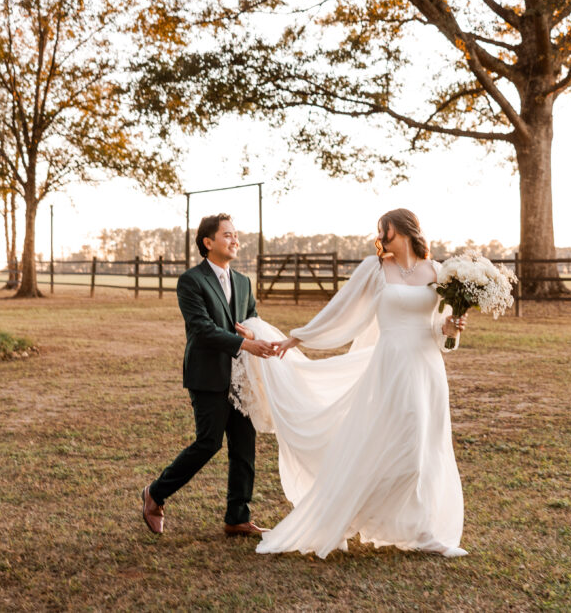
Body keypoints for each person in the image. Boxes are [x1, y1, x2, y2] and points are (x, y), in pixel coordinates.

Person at [242, 208, 468, 558]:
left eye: (386, 231)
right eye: (380, 233)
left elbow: (440, 329)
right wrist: (299, 338)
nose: (381, 238)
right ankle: (356, 515)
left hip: (427, 368)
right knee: (397, 448)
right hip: (392, 367)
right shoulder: (375, 268)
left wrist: (452, 330)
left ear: (406, 229)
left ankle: (424, 532)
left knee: (426, 447)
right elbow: (340, 308)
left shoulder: (437, 272)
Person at [141, 213, 276, 537]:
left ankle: (237, 517)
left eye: (235, 235)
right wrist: (244, 343)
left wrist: (253, 334)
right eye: (227, 235)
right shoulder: (191, 280)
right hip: (207, 374)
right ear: (208, 242)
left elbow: (251, 318)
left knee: (245, 445)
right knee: (209, 442)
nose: (235, 240)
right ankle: (155, 494)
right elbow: (201, 329)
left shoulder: (243, 281)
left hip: (242, 377)